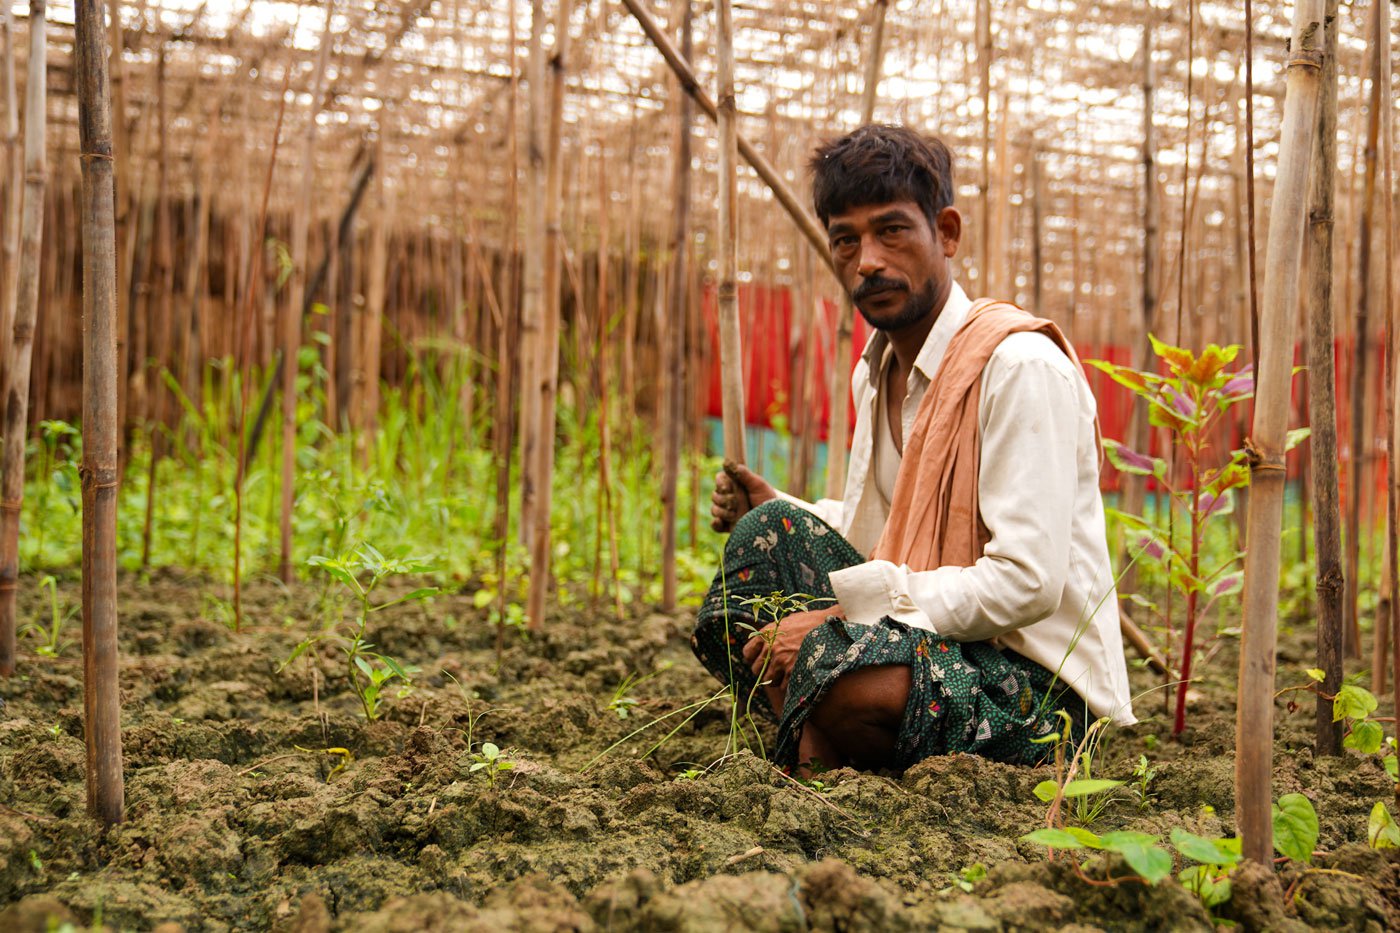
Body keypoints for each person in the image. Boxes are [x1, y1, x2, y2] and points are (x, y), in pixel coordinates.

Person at [691, 124, 1135, 774]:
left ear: (946, 233)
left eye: (891, 230)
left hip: (1038, 689)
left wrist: (840, 616)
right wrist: (782, 503)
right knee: (764, 541)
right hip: (942, 644)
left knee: (836, 672)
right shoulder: (875, 373)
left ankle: (828, 733)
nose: (867, 259)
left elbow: (1028, 582)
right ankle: (833, 738)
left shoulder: (1018, 367)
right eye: (846, 240)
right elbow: (885, 536)